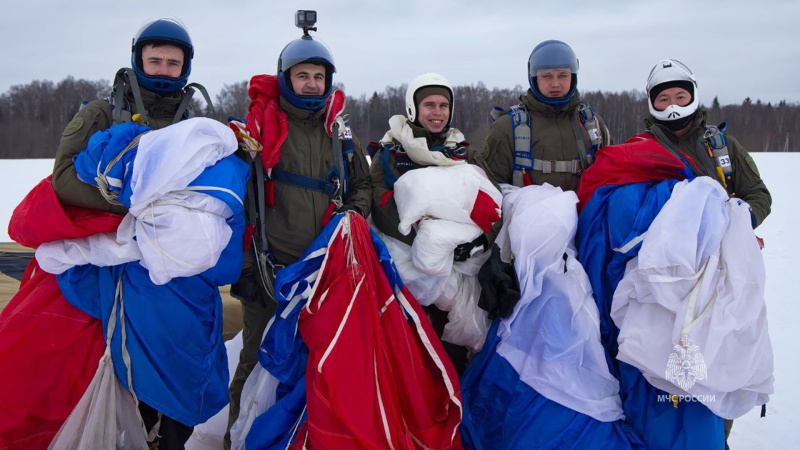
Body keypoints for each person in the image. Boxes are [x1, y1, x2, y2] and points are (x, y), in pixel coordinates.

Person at [50, 17, 215, 449]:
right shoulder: (101, 114)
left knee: (184, 364)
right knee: (125, 369)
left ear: (186, 68)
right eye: (154, 60)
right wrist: (135, 206)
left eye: (172, 63)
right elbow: (64, 178)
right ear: (137, 59)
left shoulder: (197, 123)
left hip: (178, 273)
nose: (163, 70)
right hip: (119, 269)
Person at [224, 27, 372, 449]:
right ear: (286, 78)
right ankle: (240, 441)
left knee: (322, 366)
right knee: (255, 365)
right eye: (302, 75)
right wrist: (249, 268)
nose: (311, 84)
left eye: (318, 77)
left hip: (326, 275)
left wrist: (353, 216)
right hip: (270, 275)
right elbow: (240, 203)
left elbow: (363, 185)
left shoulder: (339, 134)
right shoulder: (259, 130)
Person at [369, 72, 493, 374]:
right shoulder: (390, 156)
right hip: (406, 274)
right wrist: (426, 242)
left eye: (443, 105)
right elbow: (379, 203)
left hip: (459, 274)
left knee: (451, 355)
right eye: (429, 105)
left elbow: (493, 202)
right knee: (411, 356)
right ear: (413, 108)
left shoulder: (464, 153)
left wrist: (479, 241)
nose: (437, 113)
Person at [471, 39, 611, 195]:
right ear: (534, 77)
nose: (555, 84)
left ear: (573, 76)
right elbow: (489, 193)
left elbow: (613, 179)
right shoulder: (507, 129)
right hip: (528, 218)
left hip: (587, 218)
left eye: (562, 75)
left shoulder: (592, 124)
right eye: (547, 76)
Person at [644, 58, 771, 228]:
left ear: (693, 96)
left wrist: (741, 224)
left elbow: (757, 193)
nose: (672, 105)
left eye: (680, 97)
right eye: (664, 99)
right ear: (653, 102)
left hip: (719, 245)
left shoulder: (723, 146)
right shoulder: (640, 149)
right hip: (659, 246)